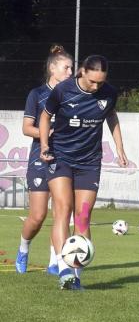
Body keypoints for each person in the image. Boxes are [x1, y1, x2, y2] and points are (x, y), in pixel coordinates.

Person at [39, 55, 128, 290]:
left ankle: (77, 274)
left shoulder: (109, 93)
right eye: (92, 81)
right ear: (83, 73)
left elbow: (111, 117)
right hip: (60, 157)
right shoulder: (63, 90)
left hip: (89, 162)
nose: (96, 87)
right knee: (63, 210)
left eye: (101, 82)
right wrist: (45, 145)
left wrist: (120, 148)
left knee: (83, 216)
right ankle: (63, 268)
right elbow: (45, 116)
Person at [15, 45, 73, 275]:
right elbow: (27, 129)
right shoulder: (37, 94)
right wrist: (47, 132)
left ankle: (55, 261)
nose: (70, 71)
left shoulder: (72, 95)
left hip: (64, 159)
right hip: (40, 159)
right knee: (38, 215)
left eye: (71, 67)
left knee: (62, 212)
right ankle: (23, 247)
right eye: (66, 67)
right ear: (52, 68)